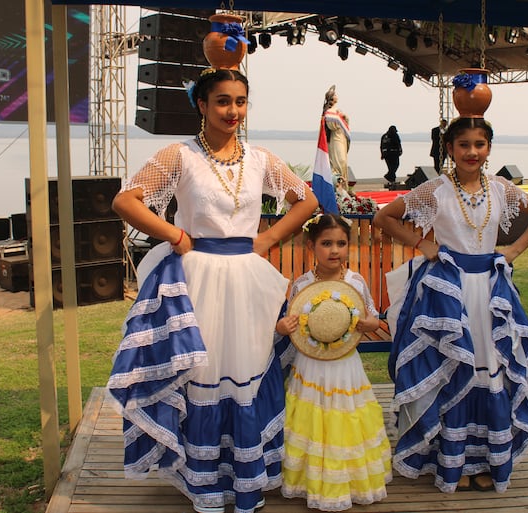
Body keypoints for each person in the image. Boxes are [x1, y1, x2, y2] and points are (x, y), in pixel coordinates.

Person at [106, 68, 318, 513]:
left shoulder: (259, 158)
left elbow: (308, 199)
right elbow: (125, 201)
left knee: (246, 372)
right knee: (202, 375)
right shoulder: (179, 156)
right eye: (223, 101)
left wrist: (269, 238)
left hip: (246, 279)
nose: (233, 111)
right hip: (196, 279)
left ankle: (242, 481)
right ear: (201, 105)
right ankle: (204, 483)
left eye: (240, 102)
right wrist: (174, 235)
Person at [373, 116, 528, 493]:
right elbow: (384, 216)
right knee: (454, 369)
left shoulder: (502, 189)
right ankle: (452, 463)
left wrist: (514, 250)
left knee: (491, 370)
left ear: (489, 149)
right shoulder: (435, 190)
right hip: (449, 292)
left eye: (480, 144)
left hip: (489, 291)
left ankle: (489, 460)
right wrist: (423, 245)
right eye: (464, 145)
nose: (472, 152)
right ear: (450, 149)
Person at [277, 213, 392, 511]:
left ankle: (349, 478)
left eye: (341, 243)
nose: (334, 250)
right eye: (326, 243)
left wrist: (369, 324)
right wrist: (282, 327)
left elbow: (372, 315)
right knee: (312, 416)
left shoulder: (355, 281)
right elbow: (291, 319)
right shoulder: (302, 284)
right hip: (311, 363)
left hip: (345, 364)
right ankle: (310, 478)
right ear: (311, 246)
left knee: (345, 414)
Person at [322, 85, 351, 186]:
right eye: (334, 94)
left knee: (343, 161)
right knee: (339, 160)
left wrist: (344, 117)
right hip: (335, 138)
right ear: (331, 98)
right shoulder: (330, 112)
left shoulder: (338, 110)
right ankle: (338, 184)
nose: (336, 95)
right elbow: (331, 126)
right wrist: (341, 117)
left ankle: (343, 185)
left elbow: (345, 123)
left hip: (341, 137)